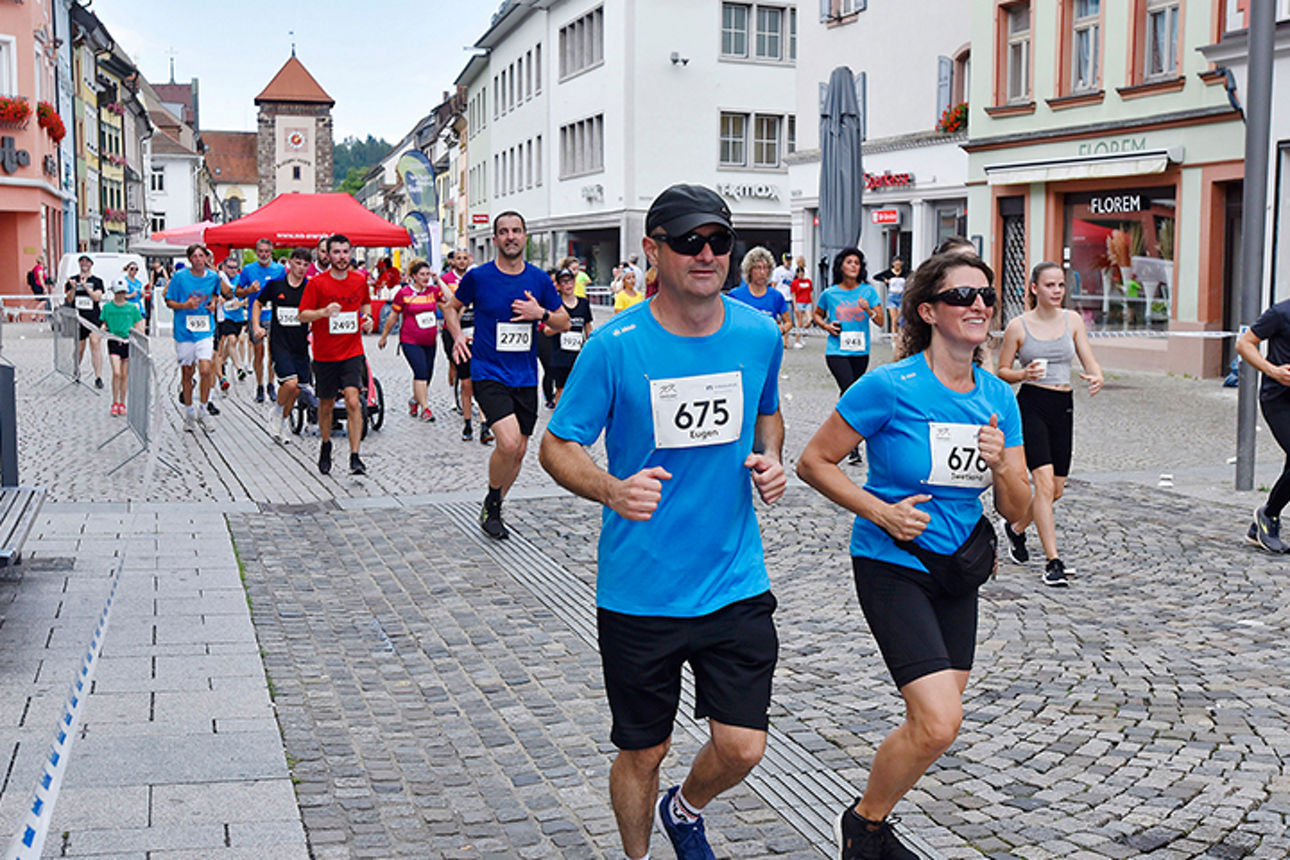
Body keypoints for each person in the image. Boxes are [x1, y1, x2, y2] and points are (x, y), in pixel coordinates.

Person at [540, 183, 787, 860]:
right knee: (644, 750)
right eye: (688, 242)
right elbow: (557, 445)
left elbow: (768, 412)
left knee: (742, 745)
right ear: (654, 250)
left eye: (718, 241)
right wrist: (612, 489)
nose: (706, 254)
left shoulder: (759, 334)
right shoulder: (616, 345)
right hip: (640, 588)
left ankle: (687, 808)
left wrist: (770, 457)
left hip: (733, 579)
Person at [796, 251, 1029, 860]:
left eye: (984, 295)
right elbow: (813, 462)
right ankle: (863, 830)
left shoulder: (1000, 398)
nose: (978, 305)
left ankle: (869, 826)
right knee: (939, 720)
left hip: (959, 568)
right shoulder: (887, 387)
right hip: (892, 562)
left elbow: (1022, 511)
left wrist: (1003, 463)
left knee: (933, 729)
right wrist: (881, 510)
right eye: (961, 297)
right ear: (928, 311)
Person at [442, 211, 570, 540]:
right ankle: (494, 504)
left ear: (525, 236)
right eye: (503, 231)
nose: (510, 236)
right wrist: (457, 335)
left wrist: (538, 313)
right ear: (495, 238)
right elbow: (450, 307)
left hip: (525, 376)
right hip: (488, 371)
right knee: (509, 441)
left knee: (520, 450)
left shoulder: (539, 280)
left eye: (516, 231)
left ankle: (493, 501)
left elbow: (564, 322)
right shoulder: (478, 277)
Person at [995, 262, 1104, 587]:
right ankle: (1053, 562)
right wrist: (1023, 374)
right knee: (1042, 484)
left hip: (1063, 405)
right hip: (1032, 404)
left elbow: (1088, 357)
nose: (1057, 291)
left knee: (1055, 489)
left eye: (1060, 285)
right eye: (1050, 285)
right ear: (1034, 289)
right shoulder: (1018, 326)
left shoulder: (1071, 320)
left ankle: (1014, 530)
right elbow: (1002, 371)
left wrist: (1097, 375)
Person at [297, 234, 375, 475]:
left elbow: (365, 304)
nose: (342, 257)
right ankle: (326, 443)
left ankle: (354, 456)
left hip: (352, 351)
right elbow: (302, 315)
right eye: (337, 252)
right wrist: (323, 312)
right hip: (325, 353)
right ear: (327, 255)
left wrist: (369, 319)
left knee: (353, 400)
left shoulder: (358, 280)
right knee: (327, 404)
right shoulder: (317, 283)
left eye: (345, 252)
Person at [814, 247, 884, 465]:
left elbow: (880, 321)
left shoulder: (868, 292)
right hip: (836, 351)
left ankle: (842, 437)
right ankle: (851, 445)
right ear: (841, 266)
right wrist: (827, 326)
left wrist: (868, 310)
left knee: (849, 394)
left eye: (857, 262)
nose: (854, 266)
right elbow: (816, 314)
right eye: (849, 262)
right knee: (850, 392)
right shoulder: (830, 293)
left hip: (860, 352)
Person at [1235, 295, 1290, 554]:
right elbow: (1244, 344)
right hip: (1279, 400)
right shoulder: (1281, 313)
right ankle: (1268, 515)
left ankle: (1263, 523)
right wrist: (1273, 371)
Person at [251, 247, 313, 444]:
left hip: (300, 344)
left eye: (305, 265)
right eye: (298, 263)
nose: (301, 268)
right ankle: (277, 410)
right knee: (290, 382)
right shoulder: (276, 286)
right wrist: (256, 326)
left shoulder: (310, 288)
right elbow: (257, 304)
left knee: (296, 390)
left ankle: (283, 420)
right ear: (290, 263)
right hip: (279, 343)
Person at [378, 258, 444, 422]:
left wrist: (439, 280)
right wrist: (384, 336)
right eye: (422, 274)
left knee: (427, 375)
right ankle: (425, 408)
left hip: (430, 340)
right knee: (420, 372)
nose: (426, 277)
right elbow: (394, 316)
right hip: (410, 340)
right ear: (414, 276)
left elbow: (449, 301)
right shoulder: (404, 293)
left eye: (428, 274)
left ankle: (414, 400)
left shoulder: (433, 291)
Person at [165, 244, 221, 433]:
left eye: (201, 255)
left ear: (206, 258)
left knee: (206, 369)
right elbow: (169, 301)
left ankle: (203, 410)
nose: (198, 259)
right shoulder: (179, 278)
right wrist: (185, 304)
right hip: (184, 331)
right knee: (188, 372)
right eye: (194, 256)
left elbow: (217, 294)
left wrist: (213, 303)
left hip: (205, 329)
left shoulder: (213, 277)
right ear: (190, 259)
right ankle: (189, 413)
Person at [440, 250, 486, 442]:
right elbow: (453, 317)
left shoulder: (484, 298)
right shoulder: (459, 300)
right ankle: (467, 422)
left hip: (481, 345)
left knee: (482, 384)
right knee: (466, 384)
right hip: (462, 342)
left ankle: (485, 425)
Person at [240, 238, 286, 403]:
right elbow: (237, 292)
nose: (264, 254)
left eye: (267, 251)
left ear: (271, 252)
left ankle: (271, 384)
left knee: (273, 353)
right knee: (258, 351)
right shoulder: (248, 269)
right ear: (256, 252)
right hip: (256, 316)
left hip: (274, 315)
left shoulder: (280, 270)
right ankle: (259, 385)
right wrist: (249, 290)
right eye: (261, 251)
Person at [542, 267, 593, 406]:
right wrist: (562, 326)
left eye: (570, 281)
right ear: (558, 285)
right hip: (560, 355)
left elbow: (588, 328)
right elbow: (546, 330)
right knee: (561, 390)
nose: (568, 285)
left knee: (580, 390)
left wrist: (591, 346)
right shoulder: (555, 305)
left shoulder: (583, 303)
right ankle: (559, 422)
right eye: (564, 282)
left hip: (578, 354)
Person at [729, 247, 792, 351]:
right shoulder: (735, 295)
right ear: (749, 270)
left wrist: (781, 330)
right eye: (758, 268)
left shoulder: (776, 296)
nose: (762, 272)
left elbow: (788, 322)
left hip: (768, 349)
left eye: (766, 268)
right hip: (742, 348)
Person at [98, 283, 144, 416]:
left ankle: (122, 402)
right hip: (114, 341)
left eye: (123, 292)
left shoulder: (132, 308)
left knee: (125, 375)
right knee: (116, 372)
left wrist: (140, 338)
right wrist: (102, 329)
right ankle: (114, 401)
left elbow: (138, 323)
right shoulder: (107, 307)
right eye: (118, 292)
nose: (121, 295)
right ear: (114, 293)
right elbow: (104, 322)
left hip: (128, 342)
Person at [64, 255, 106, 389]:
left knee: (95, 343)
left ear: (91, 264)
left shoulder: (97, 281)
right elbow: (69, 299)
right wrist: (74, 288)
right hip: (78, 318)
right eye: (82, 261)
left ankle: (98, 377)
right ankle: (76, 370)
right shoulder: (72, 280)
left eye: (87, 261)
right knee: (80, 348)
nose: (84, 264)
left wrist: (86, 287)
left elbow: (97, 298)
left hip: (93, 317)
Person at [216, 256, 249, 391]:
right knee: (232, 340)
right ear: (224, 267)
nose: (233, 270)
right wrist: (219, 299)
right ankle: (239, 368)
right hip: (225, 316)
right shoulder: (221, 280)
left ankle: (222, 363)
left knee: (232, 344)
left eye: (235, 267)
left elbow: (248, 297)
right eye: (230, 267)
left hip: (238, 316)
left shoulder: (240, 280)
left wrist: (241, 303)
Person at [874, 257, 907, 334]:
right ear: (893, 264)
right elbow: (876, 276)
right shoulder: (889, 273)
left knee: (900, 318)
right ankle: (894, 338)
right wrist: (884, 280)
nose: (897, 265)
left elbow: (913, 275)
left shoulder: (904, 273)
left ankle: (900, 335)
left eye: (899, 263)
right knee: (894, 319)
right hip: (892, 296)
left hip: (901, 296)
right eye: (896, 263)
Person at [789, 265, 814, 349]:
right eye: (799, 273)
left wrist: (812, 302)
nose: (801, 274)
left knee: (809, 320)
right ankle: (797, 340)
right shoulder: (794, 283)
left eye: (802, 273)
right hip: (799, 302)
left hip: (807, 302)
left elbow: (810, 293)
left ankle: (802, 334)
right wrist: (795, 306)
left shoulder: (808, 282)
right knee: (799, 322)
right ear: (797, 274)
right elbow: (794, 295)